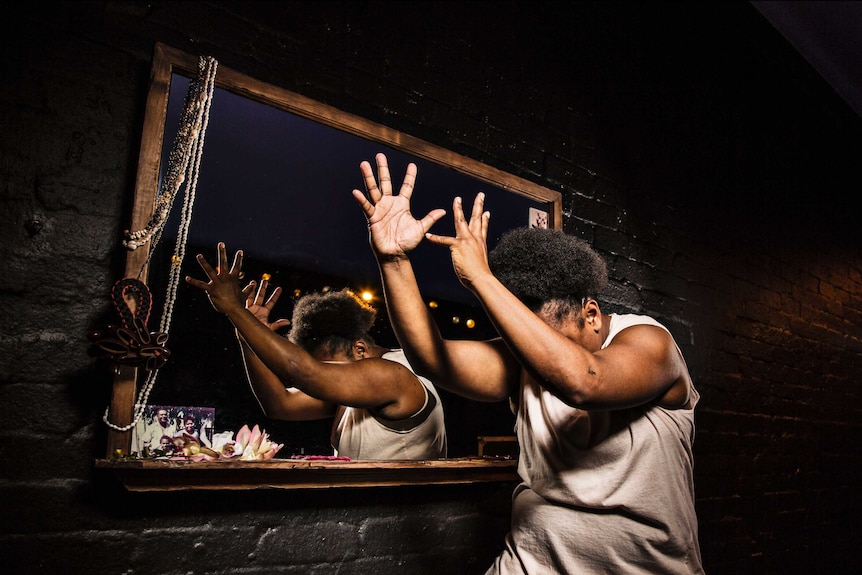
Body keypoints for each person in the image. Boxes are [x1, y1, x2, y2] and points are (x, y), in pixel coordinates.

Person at [352, 153, 704, 574]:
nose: (530, 346)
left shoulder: (650, 342)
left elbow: (585, 382)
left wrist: (483, 279)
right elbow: (432, 359)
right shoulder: (521, 359)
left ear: (590, 313)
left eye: (540, 333)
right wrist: (394, 261)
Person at [184, 258, 447, 461]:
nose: (325, 376)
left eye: (328, 367)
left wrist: (234, 310)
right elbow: (280, 405)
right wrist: (247, 337)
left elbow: (303, 371)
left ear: (360, 349)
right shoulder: (360, 389)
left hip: (404, 519)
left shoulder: (393, 375)